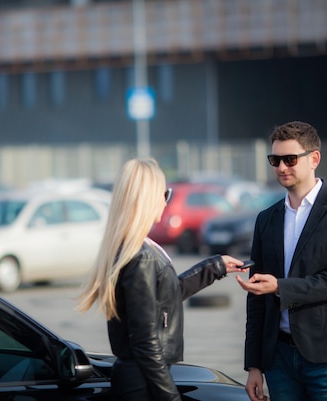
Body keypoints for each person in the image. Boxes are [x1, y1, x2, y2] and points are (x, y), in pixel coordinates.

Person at [77, 157, 247, 401]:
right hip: (143, 383)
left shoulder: (134, 248)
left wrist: (214, 267)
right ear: (146, 198)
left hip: (139, 378)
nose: (166, 201)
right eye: (164, 194)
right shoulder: (141, 256)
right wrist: (170, 397)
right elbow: (145, 343)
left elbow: (164, 297)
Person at [236, 121, 327, 401]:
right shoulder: (266, 219)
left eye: (290, 159)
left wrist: (279, 287)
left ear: (314, 159)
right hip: (278, 359)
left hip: (326, 357)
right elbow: (256, 301)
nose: (282, 167)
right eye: (275, 160)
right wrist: (254, 365)